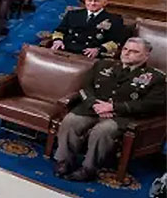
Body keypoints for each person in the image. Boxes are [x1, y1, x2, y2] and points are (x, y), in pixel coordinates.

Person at [52, 37, 164, 182]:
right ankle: (64, 161)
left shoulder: (156, 78)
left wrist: (114, 107)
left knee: (102, 131)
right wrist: (94, 104)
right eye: (125, 49)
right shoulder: (103, 64)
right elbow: (85, 87)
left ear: (146, 55)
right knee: (71, 120)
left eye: (134, 51)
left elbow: (151, 104)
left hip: (121, 115)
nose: (126, 53)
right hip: (93, 109)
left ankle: (88, 169)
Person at [49, 0, 128, 59]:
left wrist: (98, 50)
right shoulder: (73, 14)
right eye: (89, 1)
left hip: (90, 54)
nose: (92, 3)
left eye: (96, 1)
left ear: (105, 3)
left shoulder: (114, 20)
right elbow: (59, 31)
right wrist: (58, 41)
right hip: (66, 49)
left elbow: (115, 42)